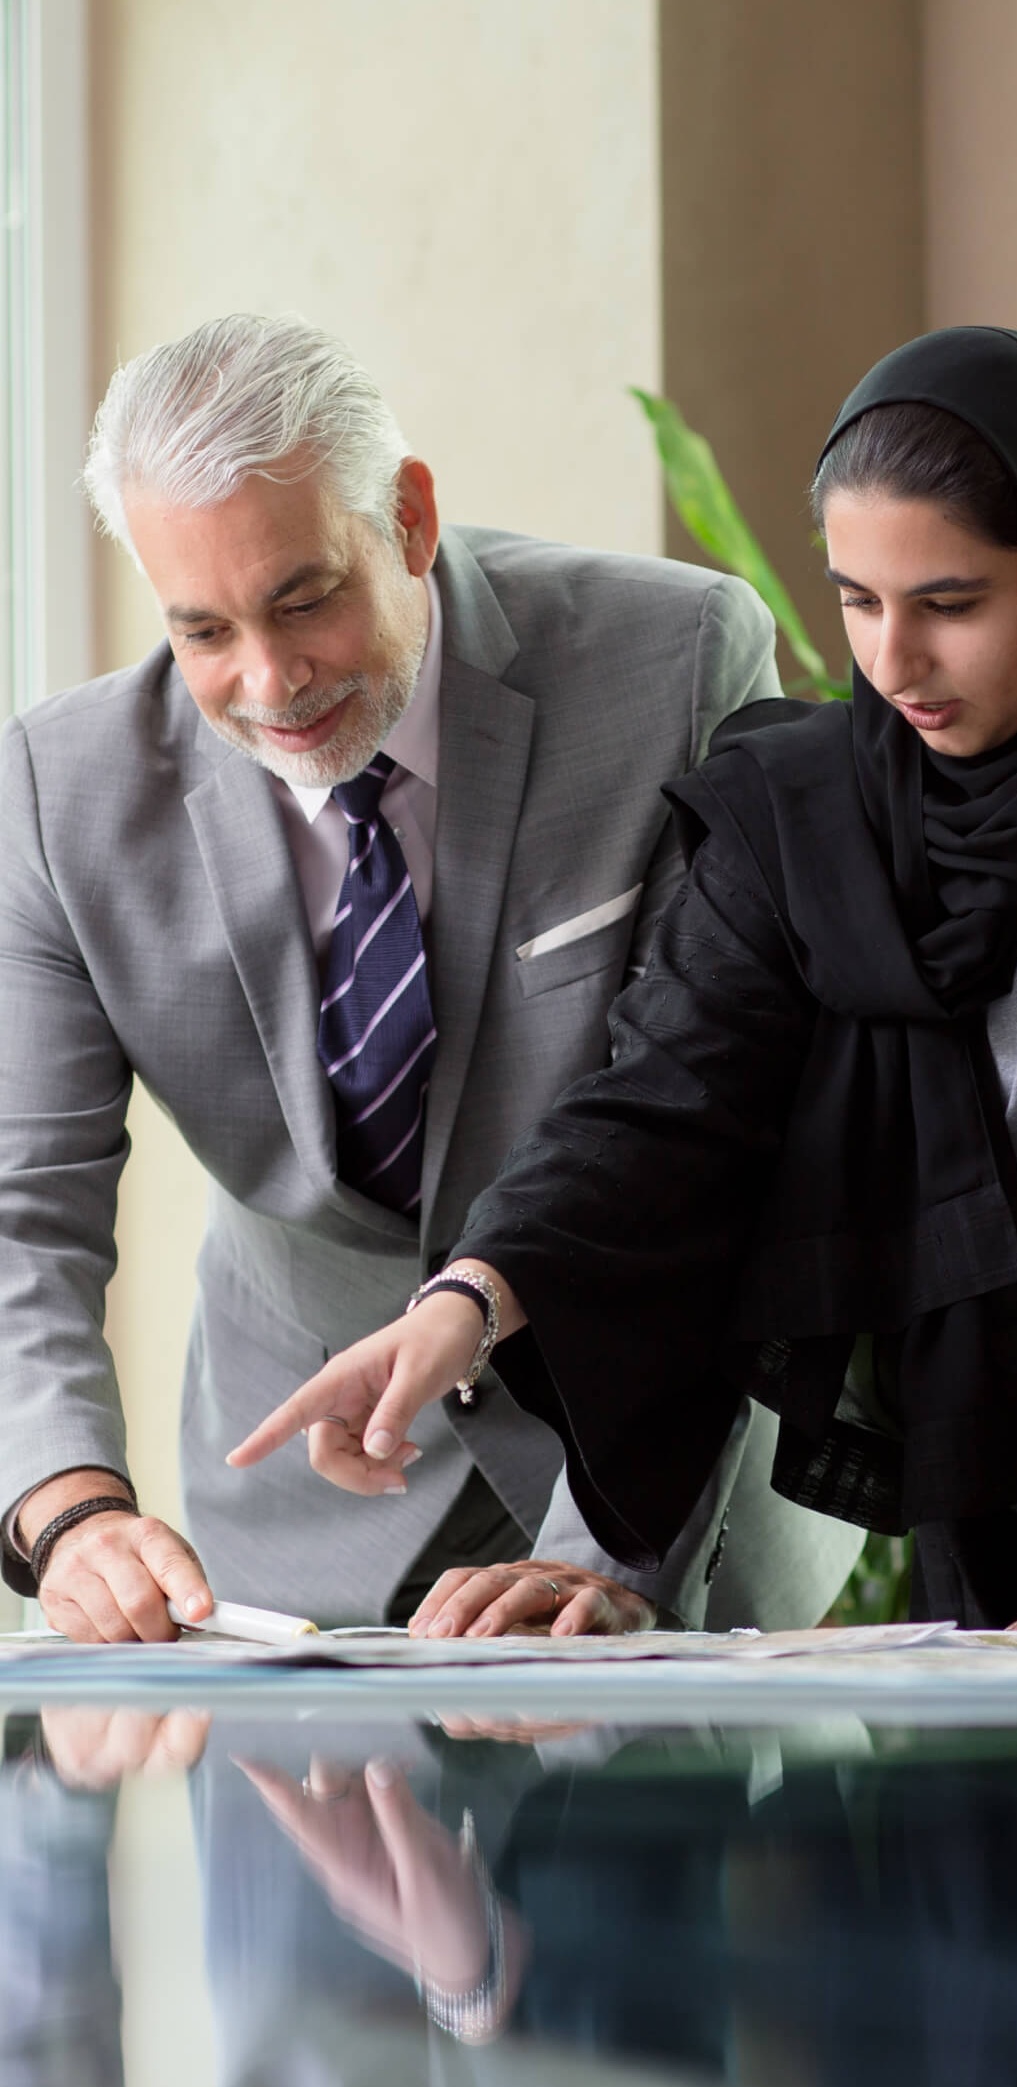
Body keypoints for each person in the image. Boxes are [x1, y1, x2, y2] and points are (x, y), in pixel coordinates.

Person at [236, 324, 1017, 1633]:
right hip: (1014, 1542)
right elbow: (669, 1110)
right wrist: (469, 1300)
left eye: (951, 605)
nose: (892, 664)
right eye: (857, 600)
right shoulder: (813, 817)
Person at [0, 313, 862, 1644]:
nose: (271, 681)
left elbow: (719, 1123)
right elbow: (24, 1207)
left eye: (305, 600)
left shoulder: (674, 661)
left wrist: (607, 1558)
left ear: (408, 518)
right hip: (301, 1506)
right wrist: (71, 1511)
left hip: (652, 1464)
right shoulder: (59, 792)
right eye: (204, 629)